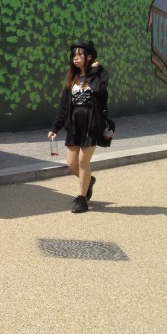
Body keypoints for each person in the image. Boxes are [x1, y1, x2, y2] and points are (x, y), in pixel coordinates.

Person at [47, 41, 110, 214]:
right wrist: (55, 127)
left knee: (83, 162)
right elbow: (64, 106)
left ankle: (82, 199)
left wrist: (93, 72)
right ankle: (89, 181)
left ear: (89, 56)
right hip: (75, 125)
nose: (75, 58)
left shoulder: (100, 74)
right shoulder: (72, 78)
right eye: (74, 55)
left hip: (92, 124)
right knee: (71, 163)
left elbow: (100, 91)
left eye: (79, 54)